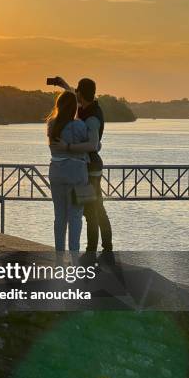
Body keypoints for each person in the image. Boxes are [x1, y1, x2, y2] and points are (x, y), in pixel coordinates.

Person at [51, 76, 114, 266]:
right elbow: (71, 100)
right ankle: (98, 250)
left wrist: (68, 147)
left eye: (77, 91)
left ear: (81, 93)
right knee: (91, 209)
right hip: (83, 169)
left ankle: (97, 250)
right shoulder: (84, 108)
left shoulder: (93, 117)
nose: (75, 94)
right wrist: (63, 85)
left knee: (94, 209)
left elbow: (94, 145)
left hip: (91, 170)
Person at [47, 90, 89, 261]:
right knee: (75, 216)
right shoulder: (79, 126)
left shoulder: (51, 124)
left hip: (56, 172)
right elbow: (92, 145)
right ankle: (74, 257)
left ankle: (58, 259)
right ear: (74, 107)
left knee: (60, 216)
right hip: (76, 174)